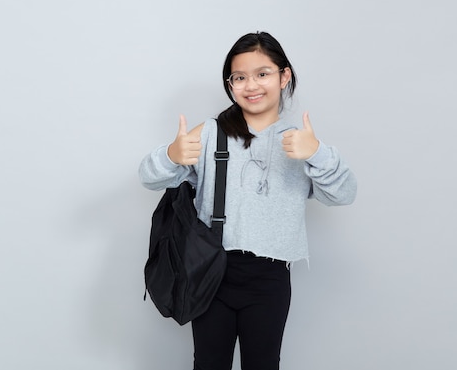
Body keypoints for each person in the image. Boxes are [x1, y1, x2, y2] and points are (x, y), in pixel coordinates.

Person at [139, 31, 357, 370]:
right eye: (239, 77)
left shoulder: (298, 142)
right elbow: (150, 177)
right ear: (230, 84)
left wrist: (318, 154)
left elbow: (343, 194)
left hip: (269, 278)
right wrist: (172, 154)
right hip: (213, 270)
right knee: (209, 363)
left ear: (284, 76)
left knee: (263, 364)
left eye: (262, 74)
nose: (251, 85)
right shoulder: (211, 133)